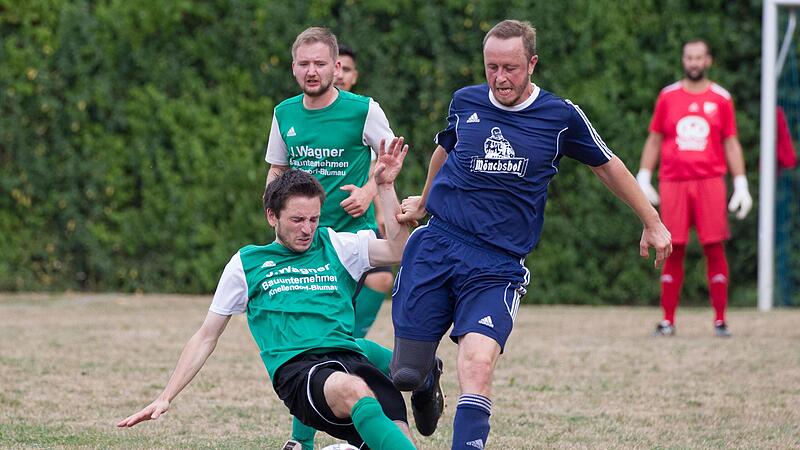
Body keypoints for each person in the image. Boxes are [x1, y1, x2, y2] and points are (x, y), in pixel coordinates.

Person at [392, 20, 672, 450]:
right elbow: (444, 151)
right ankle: (428, 375)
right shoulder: (464, 101)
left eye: (511, 68)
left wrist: (651, 221)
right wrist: (424, 202)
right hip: (437, 244)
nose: (500, 78)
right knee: (406, 374)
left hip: (497, 264)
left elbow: (607, 165)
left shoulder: (559, 116)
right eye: (491, 67)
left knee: (479, 363)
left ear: (532, 64)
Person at [118, 139, 418, 450]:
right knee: (354, 389)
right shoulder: (247, 264)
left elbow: (399, 249)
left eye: (314, 220)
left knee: (394, 422)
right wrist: (165, 396)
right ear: (272, 216)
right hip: (300, 370)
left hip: (352, 359)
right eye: (297, 220)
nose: (307, 229)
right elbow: (207, 336)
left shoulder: (335, 245)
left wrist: (385, 186)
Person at [264, 29, 421, 449]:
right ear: (294, 66)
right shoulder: (284, 114)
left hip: (348, 239)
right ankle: (420, 371)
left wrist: (370, 193)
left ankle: (303, 442)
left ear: (337, 67)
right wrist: (274, 217)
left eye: (320, 64)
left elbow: (387, 163)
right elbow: (277, 172)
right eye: (303, 64)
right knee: (327, 336)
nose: (311, 71)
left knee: (319, 336)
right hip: (302, 239)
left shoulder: (364, 110)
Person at [636, 39, 752, 338]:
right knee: (672, 248)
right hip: (674, 181)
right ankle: (668, 320)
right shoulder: (668, 96)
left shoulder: (721, 98)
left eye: (699, 57)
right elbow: (655, 138)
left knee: (714, 246)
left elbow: (730, 141)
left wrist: (740, 183)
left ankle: (721, 320)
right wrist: (644, 176)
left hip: (710, 181)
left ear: (708, 60)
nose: (694, 63)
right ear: (683, 60)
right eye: (689, 57)